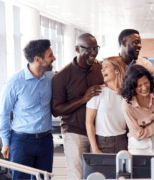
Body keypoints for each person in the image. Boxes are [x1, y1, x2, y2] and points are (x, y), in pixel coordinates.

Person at [0, 39, 56, 180]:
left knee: (44, 179)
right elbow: (4, 113)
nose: (54, 58)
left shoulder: (51, 77)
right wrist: (6, 142)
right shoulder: (14, 82)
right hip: (22, 142)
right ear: (37, 59)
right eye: (50, 55)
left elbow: (69, 74)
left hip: (46, 140)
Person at [51, 33, 104, 179]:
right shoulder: (62, 76)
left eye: (96, 48)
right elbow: (56, 110)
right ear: (77, 48)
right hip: (75, 132)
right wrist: (84, 99)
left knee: (99, 175)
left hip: (99, 132)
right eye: (89, 49)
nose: (93, 52)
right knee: (77, 176)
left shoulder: (100, 69)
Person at [121, 64, 154, 156]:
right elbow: (139, 135)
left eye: (146, 83)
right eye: (139, 85)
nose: (144, 88)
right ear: (132, 86)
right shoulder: (127, 105)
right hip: (138, 146)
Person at [86, 56, 127, 154]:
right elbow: (89, 122)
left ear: (116, 70)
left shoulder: (127, 94)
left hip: (123, 141)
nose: (102, 70)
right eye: (102, 68)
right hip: (102, 143)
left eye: (106, 67)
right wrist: (95, 148)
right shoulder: (98, 92)